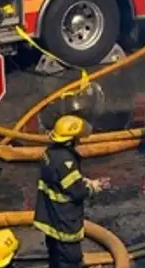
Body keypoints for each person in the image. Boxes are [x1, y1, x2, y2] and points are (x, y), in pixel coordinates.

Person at [34, 115, 105, 268]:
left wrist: (82, 180)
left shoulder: (49, 153)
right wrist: (92, 187)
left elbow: (61, 181)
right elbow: (77, 192)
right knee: (70, 261)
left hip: (51, 220)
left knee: (55, 259)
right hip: (64, 221)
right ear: (69, 139)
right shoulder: (66, 161)